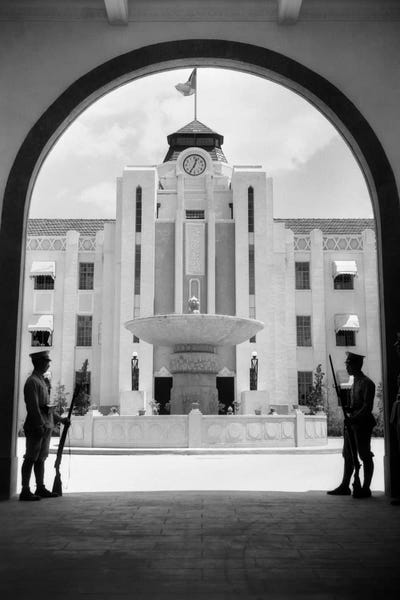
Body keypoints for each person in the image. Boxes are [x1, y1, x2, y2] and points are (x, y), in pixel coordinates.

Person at [20, 350, 69, 501]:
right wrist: (40, 424)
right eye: (46, 361)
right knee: (30, 458)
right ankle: (25, 490)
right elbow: (33, 407)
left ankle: (40, 487)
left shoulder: (41, 381)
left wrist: (60, 419)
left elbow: (47, 408)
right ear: (40, 362)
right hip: (37, 427)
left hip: (45, 425)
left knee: (41, 458)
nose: (48, 364)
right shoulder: (32, 382)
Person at [328, 351, 376, 499]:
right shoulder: (354, 381)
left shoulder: (367, 383)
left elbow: (367, 407)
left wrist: (354, 418)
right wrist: (348, 409)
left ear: (356, 365)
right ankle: (345, 485)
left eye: (348, 363)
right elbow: (355, 405)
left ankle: (366, 487)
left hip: (361, 423)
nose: (347, 366)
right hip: (352, 423)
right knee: (348, 455)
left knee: (364, 455)